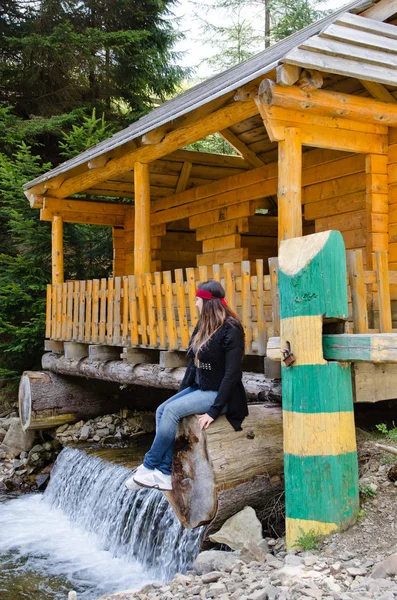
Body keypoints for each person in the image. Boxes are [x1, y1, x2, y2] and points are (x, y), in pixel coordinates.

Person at [125, 279, 248, 492]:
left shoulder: (231, 329)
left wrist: (214, 410)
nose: (195, 303)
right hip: (201, 388)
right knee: (163, 409)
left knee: (171, 411)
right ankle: (163, 473)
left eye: (197, 299)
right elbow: (193, 364)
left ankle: (148, 465)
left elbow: (232, 373)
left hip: (222, 394)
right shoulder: (203, 325)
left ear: (208, 302)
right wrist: (181, 395)